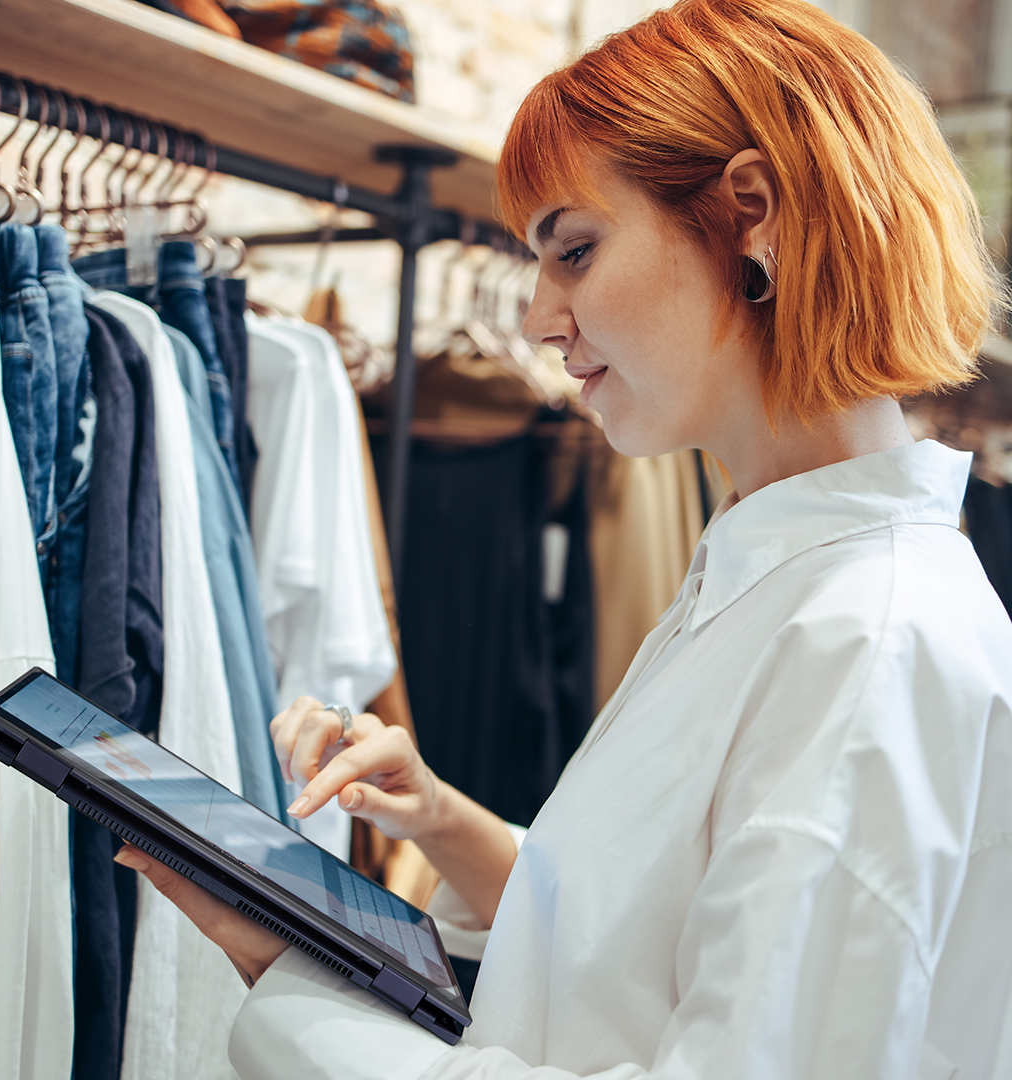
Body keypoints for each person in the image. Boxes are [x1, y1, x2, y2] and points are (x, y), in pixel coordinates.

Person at [113, 0, 1012, 1076]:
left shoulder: (867, 639)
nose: (541, 316)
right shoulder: (771, 570)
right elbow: (649, 948)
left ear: (751, 215)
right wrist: (444, 821)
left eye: (574, 251)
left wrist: (296, 995)